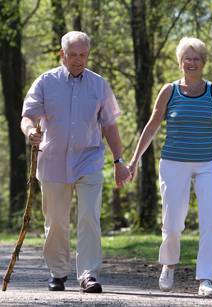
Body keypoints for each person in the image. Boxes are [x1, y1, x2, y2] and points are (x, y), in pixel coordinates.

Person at [127, 37, 212, 296]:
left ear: (203, 62)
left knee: (210, 221)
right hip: (173, 162)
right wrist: (135, 159)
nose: (191, 63)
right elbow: (152, 126)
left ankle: (207, 279)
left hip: (208, 162)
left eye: (196, 58)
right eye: (187, 58)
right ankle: (168, 263)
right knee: (173, 221)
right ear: (180, 62)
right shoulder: (169, 91)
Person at [21, 31, 130, 293]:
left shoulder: (99, 85)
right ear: (62, 54)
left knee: (89, 218)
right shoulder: (45, 82)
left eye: (83, 55)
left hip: (89, 159)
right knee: (56, 221)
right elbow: (27, 116)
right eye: (73, 55)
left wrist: (119, 160)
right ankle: (58, 273)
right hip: (53, 161)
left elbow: (110, 126)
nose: (79, 60)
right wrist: (30, 132)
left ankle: (89, 274)